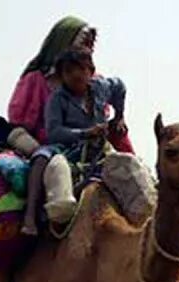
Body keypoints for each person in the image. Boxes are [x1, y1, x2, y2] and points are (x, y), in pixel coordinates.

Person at [20, 49, 126, 237]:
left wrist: (119, 117)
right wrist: (85, 133)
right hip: (67, 148)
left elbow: (120, 87)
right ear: (62, 77)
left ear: (90, 70)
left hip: (99, 149)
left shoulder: (101, 87)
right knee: (41, 160)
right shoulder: (57, 100)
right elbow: (54, 132)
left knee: (129, 167)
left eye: (80, 69)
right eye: (69, 71)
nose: (76, 75)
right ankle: (30, 217)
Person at [8, 17, 132, 153]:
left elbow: (118, 88)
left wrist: (119, 117)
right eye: (82, 43)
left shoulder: (97, 83)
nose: (86, 50)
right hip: (51, 145)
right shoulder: (36, 81)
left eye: (89, 45)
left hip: (95, 144)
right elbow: (24, 122)